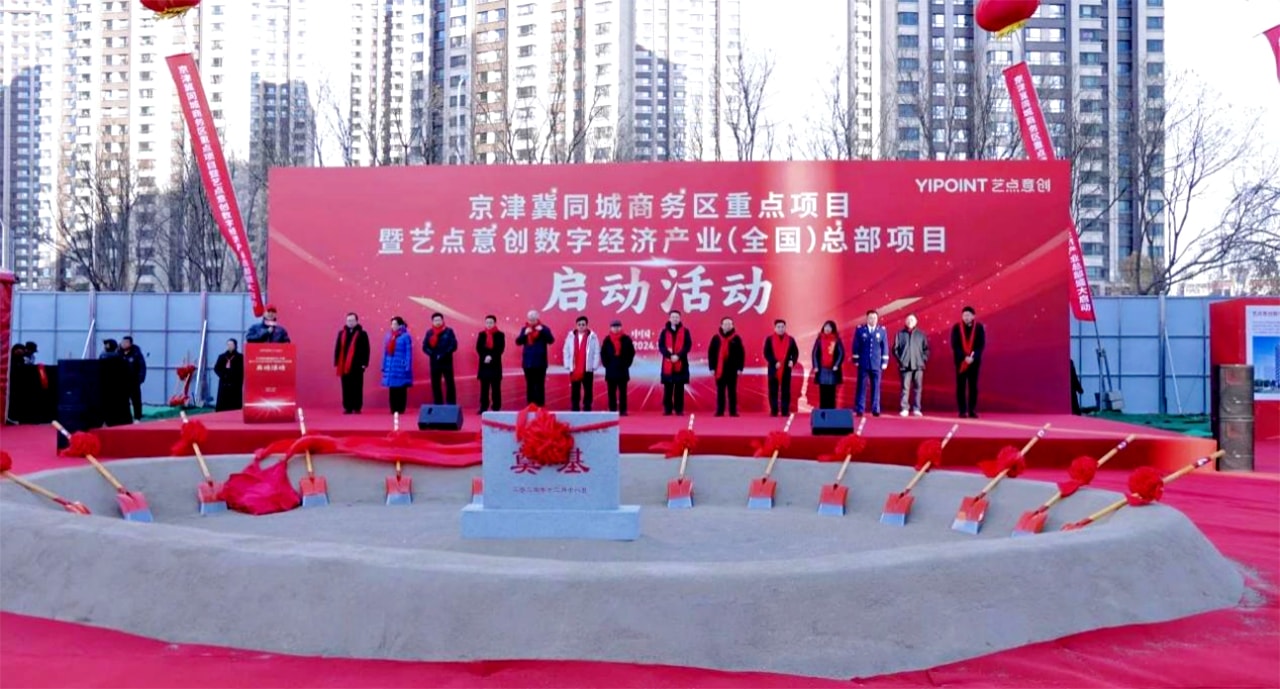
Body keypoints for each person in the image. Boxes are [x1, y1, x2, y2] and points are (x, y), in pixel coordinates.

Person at [950, 306, 986, 418]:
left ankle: (972, 410)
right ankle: (962, 410)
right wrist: (964, 357)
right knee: (961, 386)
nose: (966, 317)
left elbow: (981, 345)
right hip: (961, 362)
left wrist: (973, 357)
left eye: (968, 315)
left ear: (973, 316)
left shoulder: (979, 327)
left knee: (973, 386)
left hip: (974, 362)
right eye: (964, 315)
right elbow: (955, 345)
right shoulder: (956, 327)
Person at [852, 310, 889, 417]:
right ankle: (860, 409)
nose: (873, 320)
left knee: (876, 387)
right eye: (871, 318)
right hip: (863, 363)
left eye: (874, 318)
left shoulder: (882, 330)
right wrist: (856, 360)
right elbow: (856, 345)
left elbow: (885, 346)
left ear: (877, 319)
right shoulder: (860, 330)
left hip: (876, 363)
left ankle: (875, 409)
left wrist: (884, 361)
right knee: (861, 387)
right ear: (867, 318)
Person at [707, 317, 745, 417]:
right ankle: (720, 411)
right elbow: (711, 354)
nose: (727, 326)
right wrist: (711, 367)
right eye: (725, 324)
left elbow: (741, 354)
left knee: (732, 391)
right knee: (720, 391)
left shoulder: (736, 338)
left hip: (732, 369)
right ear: (721, 325)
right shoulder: (716, 338)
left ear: (732, 326)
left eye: (729, 324)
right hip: (719, 369)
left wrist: (740, 368)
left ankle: (733, 411)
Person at [516, 310, 555, 406]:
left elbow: (551, 340)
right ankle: (530, 405)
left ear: (537, 318)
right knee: (530, 385)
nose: (532, 321)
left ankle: (540, 406)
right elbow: (518, 342)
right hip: (528, 362)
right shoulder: (525, 329)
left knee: (540, 385)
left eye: (533, 319)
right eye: (530, 319)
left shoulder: (544, 328)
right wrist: (525, 334)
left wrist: (543, 331)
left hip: (540, 362)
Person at [562, 316, 600, 412]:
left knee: (588, 389)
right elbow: (566, 350)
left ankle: (587, 406)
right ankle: (575, 407)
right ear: (576, 326)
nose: (581, 326)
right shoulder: (571, 336)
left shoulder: (592, 337)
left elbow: (596, 351)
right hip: (575, 367)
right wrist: (567, 364)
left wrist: (594, 365)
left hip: (587, 367)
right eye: (579, 324)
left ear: (586, 325)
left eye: (583, 324)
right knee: (575, 389)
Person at [893, 314, 929, 417]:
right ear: (905, 322)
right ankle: (904, 408)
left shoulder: (921, 334)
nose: (910, 322)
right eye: (908, 320)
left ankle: (917, 408)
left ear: (916, 322)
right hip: (905, 366)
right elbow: (895, 349)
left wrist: (923, 360)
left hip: (918, 366)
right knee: (905, 388)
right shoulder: (900, 334)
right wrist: (901, 361)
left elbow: (926, 349)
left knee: (918, 388)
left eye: (912, 320)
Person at [334, 313, 370, 414]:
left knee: (357, 386)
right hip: (344, 365)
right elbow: (338, 348)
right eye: (348, 320)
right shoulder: (341, 333)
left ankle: (357, 407)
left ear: (356, 321)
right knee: (346, 386)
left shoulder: (362, 334)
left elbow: (366, 349)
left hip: (357, 364)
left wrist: (364, 363)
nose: (350, 322)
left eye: (352, 320)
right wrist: (336, 361)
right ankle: (348, 407)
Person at [658, 309, 692, 416]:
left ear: (680, 319)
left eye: (677, 317)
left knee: (679, 387)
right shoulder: (664, 332)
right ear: (669, 318)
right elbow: (661, 346)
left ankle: (679, 409)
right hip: (668, 362)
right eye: (673, 317)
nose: (675, 319)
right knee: (668, 388)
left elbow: (688, 345)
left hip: (681, 362)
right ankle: (667, 409)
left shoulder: (685, 331)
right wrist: (670, 356)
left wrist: (678, 356)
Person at [763, 319, 800, 417]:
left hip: (786, 368)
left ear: (785, 327)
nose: (781, 329)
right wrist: (774, 362)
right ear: (775, 328)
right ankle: (774, 410)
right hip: (773, 368)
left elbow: (795, 353)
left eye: (782, 327)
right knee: (773, 390)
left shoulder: (790, 340)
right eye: (778, 327)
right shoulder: (769, 339)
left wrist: (793, 361)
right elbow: (766, 353)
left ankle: (785, 410)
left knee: (786, 390)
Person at [600, 319, 635, 415]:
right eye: (614, 327)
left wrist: (627, 364)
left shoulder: (626, 339)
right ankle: (612, 410)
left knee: (623, 392)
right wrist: (606, 364)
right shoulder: (607, 340)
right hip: (611, 369)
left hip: (622, 369)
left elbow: (631, 353)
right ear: (611, 328)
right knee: (611, 392)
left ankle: (623, 410)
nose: (616, 328)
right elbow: (603, 353)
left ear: (621, 327)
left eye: (618, 326)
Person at [422, 312, 458, 405]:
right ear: (432, 322)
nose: (437, 322)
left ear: (442, 320)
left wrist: (444, 354)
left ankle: (451, 404)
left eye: (439, 320)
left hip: (446, 361)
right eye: (435, 320)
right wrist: (433, 354)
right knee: (435, 384)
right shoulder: (429, 333)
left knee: (449, 383)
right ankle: (438, 403)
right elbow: (425, 347)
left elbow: (453, 345)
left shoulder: (449, 331)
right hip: (434, 362)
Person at [382, 316, 413, 415]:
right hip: (391, 366)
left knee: (401, 388)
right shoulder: (389, 336)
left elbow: (408, 352)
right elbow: (385, 352)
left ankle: (400, 408)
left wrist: (407, 365)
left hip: (401, 365)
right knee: (392, 388)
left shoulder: (405, 336)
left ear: (400, 325)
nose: (393, 326)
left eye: (395, 324)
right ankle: (393, 408)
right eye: (392, 324)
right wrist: (384, 365)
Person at [811, 320, 845, 410]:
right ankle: (823, 411)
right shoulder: (819, 339)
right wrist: (816, 366)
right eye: (826, 327)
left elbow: (841, 353)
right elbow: (815, 353)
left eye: (829, 327)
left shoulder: (836, 340)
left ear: (833, 329)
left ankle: (831, 411)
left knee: (831, 392)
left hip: (833, 370)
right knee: (823, 391)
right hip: (822, 370)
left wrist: (837, 365)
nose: (827, 329)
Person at [476, 315, 505, 413]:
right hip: (484, 364)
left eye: (491, 322)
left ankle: (496, 407)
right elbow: (479, 348)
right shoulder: (482, 334)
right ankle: (483, 407)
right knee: (484, 388)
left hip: (495, 364)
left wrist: (491, 357)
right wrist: (485, 356)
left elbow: (500, 349)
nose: (489, 324)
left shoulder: (500, 335)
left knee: (496, 387)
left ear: (495, 323)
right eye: (487, 322)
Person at [119, 335, 146, 421]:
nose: (123, 344)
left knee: (136, 400)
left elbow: (142, 366)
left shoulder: (136, 353)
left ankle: (137, 417)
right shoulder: (118, 352)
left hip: (134, 381)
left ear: (130, 344)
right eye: (123, 342)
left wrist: (140, 379)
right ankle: (125, 418)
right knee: (123, 401)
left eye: (126, 342)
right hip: (122, 381)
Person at [213, 339, 244, 411]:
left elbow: (242, 370)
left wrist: (238, 378)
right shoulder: (222, 356)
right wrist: (223, 374)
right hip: (224, 383)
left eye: (231, 345)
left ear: (235, 346)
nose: (230, 346)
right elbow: (216, 368)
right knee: (222, 404)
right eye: (228, 345)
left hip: (235, 384)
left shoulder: (240, 357)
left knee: (234, 405)